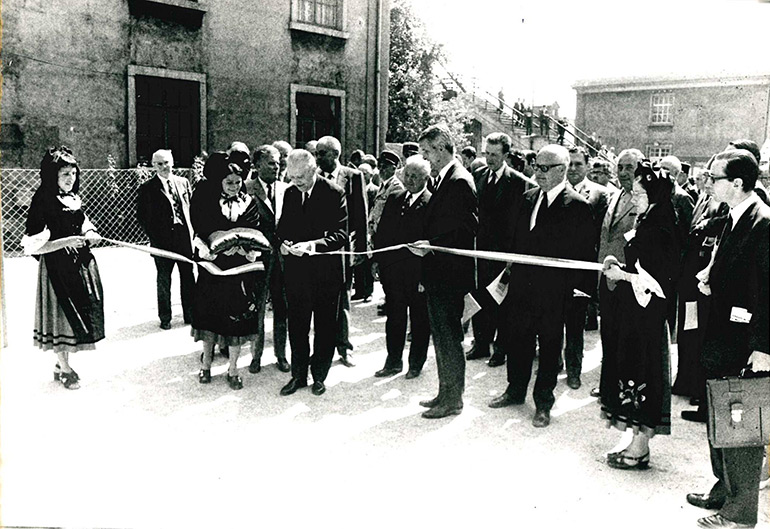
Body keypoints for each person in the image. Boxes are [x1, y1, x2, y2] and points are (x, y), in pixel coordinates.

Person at [686, 149, 770, 529]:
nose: (707, 181)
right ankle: (724, 489)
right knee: (720, 419)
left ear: (737, 183)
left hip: (746, 343)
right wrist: (711, 277)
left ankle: (740, 513)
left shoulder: (764, 223)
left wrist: (765, 347)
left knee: (740, 426)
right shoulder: (732, 217)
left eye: (713, 176)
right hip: (723, 336)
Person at [490, 145, 595, 428]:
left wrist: (577, 299)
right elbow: (516, 243)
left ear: (562, 170)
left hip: (554, 294)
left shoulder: (577, 206)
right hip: (522, 289)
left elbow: (584, 258)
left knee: (549, 348)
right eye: (536, 167)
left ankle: (543, 403)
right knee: (518, 341)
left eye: (545, 168)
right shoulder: (527, 198)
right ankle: (515, 391)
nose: (538, 173)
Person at [599, 160, 679, 469]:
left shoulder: (661, 226)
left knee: (644, 374)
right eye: (631, 193)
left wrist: (623, 276)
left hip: (648, 318)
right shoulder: (648, 220)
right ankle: (634, 438)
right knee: (631, 371)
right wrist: (619, 267)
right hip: (635, 314)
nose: (633, 199)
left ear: (654, 194)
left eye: (638, 193)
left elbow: (658, 281)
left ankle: (640, 448)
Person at [408, 124, 478, 419]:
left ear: (440, 149)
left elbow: (466, 228)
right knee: (440, 336)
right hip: (438, 272)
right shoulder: (443, 178)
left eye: (426, 152)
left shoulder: (460, 180)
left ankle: (454, 399)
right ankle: (444, 391)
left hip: (450, 275)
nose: (424, 158)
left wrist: (432, 245)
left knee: (449, 338)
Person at [22, 147, 104, 389]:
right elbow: (34, 246)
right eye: (65, 174)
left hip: (78, 264)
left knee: (77, 314)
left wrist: (90, 232)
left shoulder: (73, 196)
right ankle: (65, 368)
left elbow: (82, 220)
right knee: (62, 318)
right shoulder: (43, 200)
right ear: (52, 176)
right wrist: (67, 241)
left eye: (73, 173)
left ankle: (61, 365)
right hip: (56, 268)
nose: (71, 179)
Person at [190, 152, 266, 390]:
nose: (234, 187)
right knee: (210, 320)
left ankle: (233, 369)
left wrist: (243, 249)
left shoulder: (250, 203)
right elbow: (201, 229)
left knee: (237, 321)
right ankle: (206, 366)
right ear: (219, 182)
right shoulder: (207, 201)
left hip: (240, 271)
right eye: (228, 182)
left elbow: (255, 229)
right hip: (213, 270)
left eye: (238, 182)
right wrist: (216, 249)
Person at [277, 149, 348, 397]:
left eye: (300, 177)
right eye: (292, 177)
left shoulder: (334, 193)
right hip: (297, 274)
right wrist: (283, 243)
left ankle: (319, 376)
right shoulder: (290, 194)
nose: (296, 182)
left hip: (325, 274)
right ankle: (298, 375)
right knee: (297, 326)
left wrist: (311, 246)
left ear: (313, 169)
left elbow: (341, 235)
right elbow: (282, 228)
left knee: (325, 327)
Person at [466, 133, 529, 368]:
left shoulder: (519, 182)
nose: (489, 158)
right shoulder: (478, 176)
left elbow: (521, 225)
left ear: (505, 154)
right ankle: (480, 343)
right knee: (479, 298)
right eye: (486, 153)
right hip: (479, 253)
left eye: (494, 154)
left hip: (504, 255)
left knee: (503, 303)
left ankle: (500, 349)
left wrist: (514, 258)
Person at [373, 155, 432, 379]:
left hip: (416, 276)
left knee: (419, 321)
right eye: (406, 174)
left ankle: (415, 363)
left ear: (426, 178)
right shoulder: (395, 197)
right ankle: (393, 361)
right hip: (393, 272)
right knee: (395, 319)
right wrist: (378, 260)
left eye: (415, 177)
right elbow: (384, 232)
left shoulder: (431, 202)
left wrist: (425, 279)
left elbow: (431, 246)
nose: (409, 180)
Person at [591, 148, 643, 398]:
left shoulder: (644, 200)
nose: (623, 173)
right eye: (620, 167)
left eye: (629, 168)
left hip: (628, 279)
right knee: (608, 333)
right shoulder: (614, 195)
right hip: (607, 276)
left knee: (627, 338)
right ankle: (607, 385)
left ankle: (623, 388)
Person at [315, 135, 368, 367]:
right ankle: (321, 348)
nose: (317, 158)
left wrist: (361, 250)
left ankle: (344, 347)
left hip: (343, 249)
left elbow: (361, 216)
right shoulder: (313, 177)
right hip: (319, 249)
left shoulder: (353, 176)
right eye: (316, 153)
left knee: (343, 298)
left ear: (335, 154)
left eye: (321, 154)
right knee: (321, 299)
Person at [561, 146, 609, 388]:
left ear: (587, 167)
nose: (573, 168)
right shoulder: (554, 191)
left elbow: (597, 235)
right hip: (555, 269)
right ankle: (553, 364)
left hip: (580, 271)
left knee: (575, 324)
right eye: (569, 163)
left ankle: (573, 371)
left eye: (578, 164)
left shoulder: (599, 194)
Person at [244, 145, 291, 374]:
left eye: (279, 162)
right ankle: (256, 356)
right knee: (258, 309)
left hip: (283, 260)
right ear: (258, 165)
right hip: (259, 261)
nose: (277, 166)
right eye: (272, 162)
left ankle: (281, 355)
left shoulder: (286, 189)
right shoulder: (246, 189)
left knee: (282, 308)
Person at [137, 149, 195, 330]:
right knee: (164, 279)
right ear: (154, 166)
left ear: (173, 162)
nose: (164, 167)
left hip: (184, 238)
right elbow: (142, 217)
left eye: (166, 163)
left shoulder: (183, 182)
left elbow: (191, 208)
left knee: (188, 277)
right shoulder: (147, 188)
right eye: (159, 164)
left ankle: (190, 315)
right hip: (163, 242)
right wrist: (155, 237)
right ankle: (165, 318)